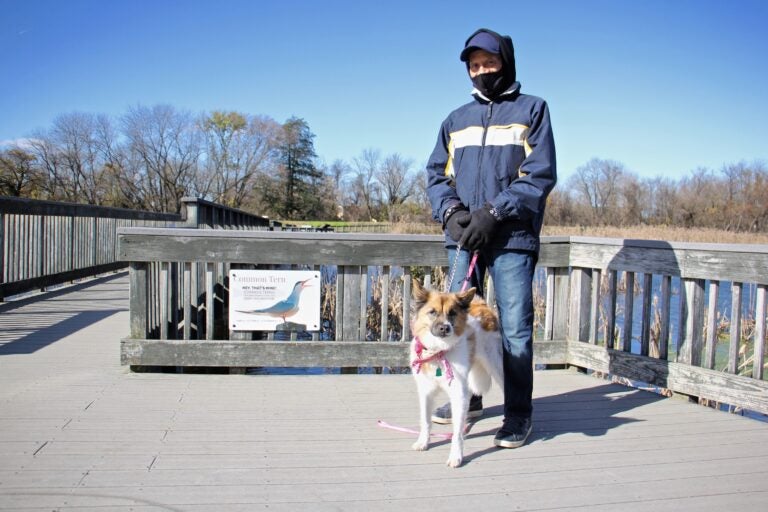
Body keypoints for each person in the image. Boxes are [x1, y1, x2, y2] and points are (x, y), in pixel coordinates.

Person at [425, 28, 557, 448]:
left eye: (490, 63)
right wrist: (454, 214)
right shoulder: (455, 119)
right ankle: (472, 399)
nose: (482, 72)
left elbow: (539, 174)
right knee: (461, 324)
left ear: (506, 63)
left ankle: (519, 414)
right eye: (475, 66)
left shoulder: (532, 109)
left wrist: (493, 212)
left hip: (513, 239)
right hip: (464, 239)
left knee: (514, 328)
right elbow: (435, 176)